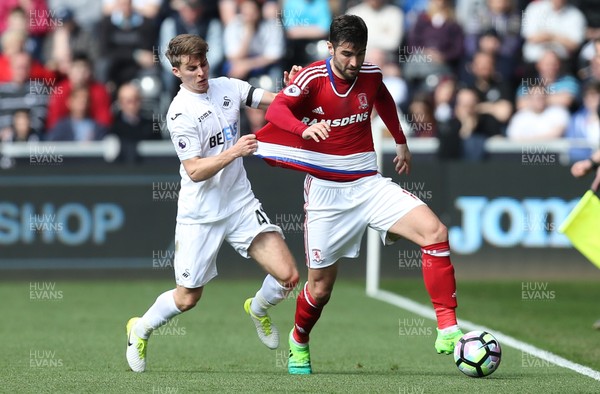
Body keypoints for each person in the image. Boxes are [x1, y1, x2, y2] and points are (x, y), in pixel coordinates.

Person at [254, 15, 463, 375]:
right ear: (330, 48)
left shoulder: (370, 74)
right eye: (347, 53)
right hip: (326, 196)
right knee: (319, 290)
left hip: (369, 185)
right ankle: (299, 340)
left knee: (436, 233)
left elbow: (382, 97)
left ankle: (447, 327)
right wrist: (303, 129)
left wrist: (400, 140)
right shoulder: (311, 77)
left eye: (360, 53)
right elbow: (276, 109)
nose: (353, 62)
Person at [125, 33, 300, 373]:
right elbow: (193, 171)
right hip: (201, 215)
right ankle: (140, 329)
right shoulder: (179, 114)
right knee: (187, 298)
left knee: (288, 276)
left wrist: (293, 89)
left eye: (203, 63)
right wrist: (234, 151)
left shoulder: (229, 87)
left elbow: (276, 101)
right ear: (177, 72)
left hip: (239, 203)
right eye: (191, 68)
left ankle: (257, 309)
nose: (201, 73)